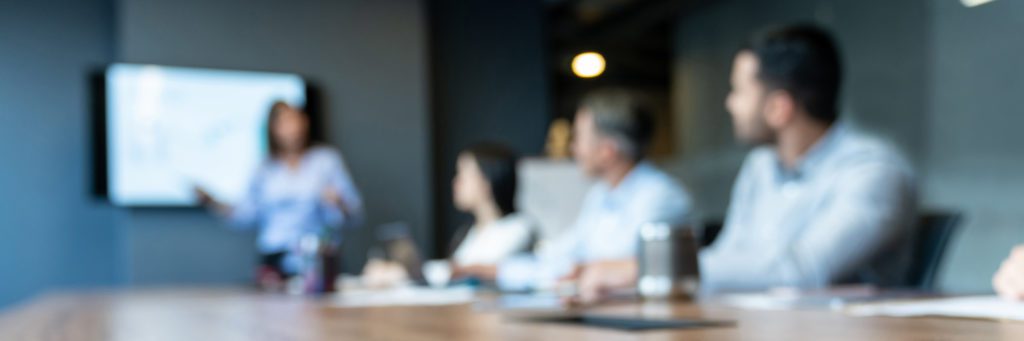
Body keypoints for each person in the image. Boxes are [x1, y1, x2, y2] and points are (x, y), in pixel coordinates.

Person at [570, 24, 917, 301]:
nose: (729, 104)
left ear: (778, 108)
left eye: (738, 91)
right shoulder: (761, 166)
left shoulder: (874, 170)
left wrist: (652, 268)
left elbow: (805, 270)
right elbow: (729, 255)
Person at [460, 88, 693, 292]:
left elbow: (622, 268)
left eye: (579, 138)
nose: (573, 149)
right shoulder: (600, 196)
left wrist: (581, 269)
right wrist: (494, 270)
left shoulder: (661, 197)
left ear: (606, 151)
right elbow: (562, 257)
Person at [197, 101, 363, 286]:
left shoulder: (325, 161)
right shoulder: (264, 168)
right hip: (275, 257)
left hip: (318, 255)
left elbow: (353, 214)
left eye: (296, 120)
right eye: (284, 123)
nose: (292, 128)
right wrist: (213, 202)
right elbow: (245, 214)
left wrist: (339, 202)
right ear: (273, 128)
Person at [448, 143, 535, 268]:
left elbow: (491, 270)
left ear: (487, 180)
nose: (456, 182)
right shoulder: (465, 233)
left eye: (463, 175)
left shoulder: (519, 229)